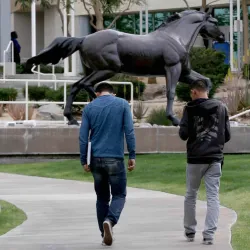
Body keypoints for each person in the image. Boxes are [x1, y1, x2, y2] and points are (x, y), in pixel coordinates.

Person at [79, 82, 136, 246]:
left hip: (96, 159)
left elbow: (83, 137)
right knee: (119, 195)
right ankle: (110, 221)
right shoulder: (122, 104)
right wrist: (132, 154)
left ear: (96, 93)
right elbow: (129, 131)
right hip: (116, 158)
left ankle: (104, 234)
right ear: (113, 93)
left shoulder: (89, 108)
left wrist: (84, 159)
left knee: (102, 198)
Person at [179, 79, 231, 245]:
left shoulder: (190, 108)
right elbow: (227, 135)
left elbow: (183, 134)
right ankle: (209, 234)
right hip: (215, 158)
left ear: (194, 92)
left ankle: (189, 231)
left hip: (195, 159)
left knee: (190, 195)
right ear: (207, 90)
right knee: (213, 197)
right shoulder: (221, 107)